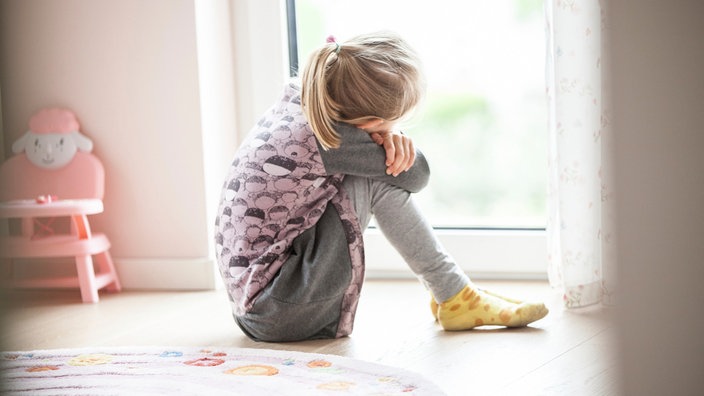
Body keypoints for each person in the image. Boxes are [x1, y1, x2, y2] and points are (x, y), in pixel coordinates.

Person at [214, 31, 548, 342]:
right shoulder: (330, 140)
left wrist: (386, 139)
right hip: (279, 311)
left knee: (366, 177)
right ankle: (454, 294)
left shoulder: (301, 104)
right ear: (371, 123)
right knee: (371, 181)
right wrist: (391, 144)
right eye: (395, 122)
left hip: (259, 307)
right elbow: (417, 176)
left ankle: (453, 292)